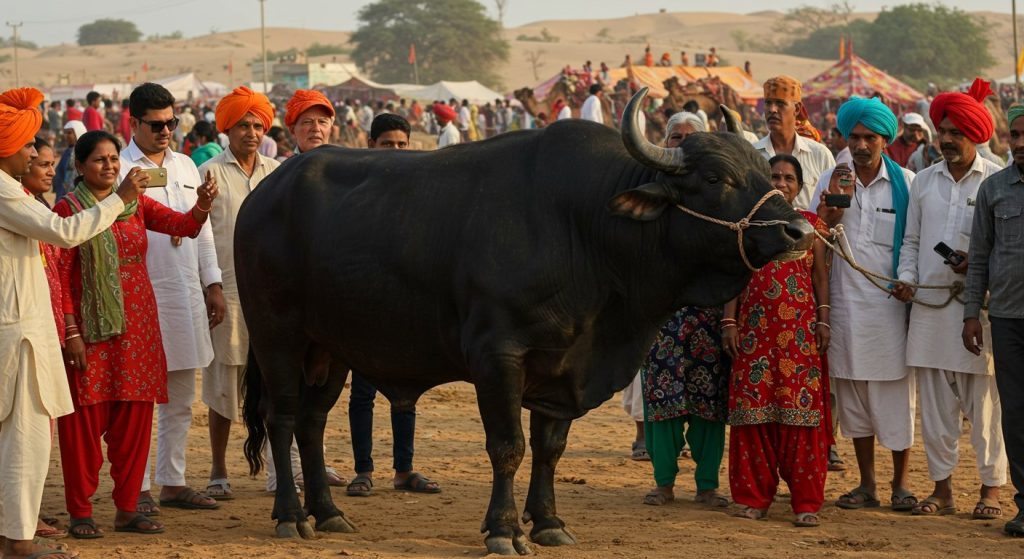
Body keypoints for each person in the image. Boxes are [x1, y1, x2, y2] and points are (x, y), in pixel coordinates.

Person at [0, 87, 148, 559]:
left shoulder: (15, 193)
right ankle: (19, 543)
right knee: (25, 443)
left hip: (25, 331)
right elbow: (65, 235)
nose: (34, 154)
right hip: (19, 335)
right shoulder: (6, 194)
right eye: (27, 146)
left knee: (22, 443)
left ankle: (13, 535)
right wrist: (118, 200)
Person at [53, 129, 217, 539]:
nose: (109, 166)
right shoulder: (68, 209)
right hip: (89, 332)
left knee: (134, 420)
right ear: (79, 166)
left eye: (113, 159)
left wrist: (201, 206)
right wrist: (70, 331)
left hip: (137, 328)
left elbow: (184, 226)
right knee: (83, 427)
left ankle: (127, 509)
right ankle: (80, 511)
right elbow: (62, 274)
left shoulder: (135, 205)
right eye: (99, 160)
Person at [892, 78, 1007, 520]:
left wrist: (977, 266)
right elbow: (911, 240)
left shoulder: (997, 180)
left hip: (979, 312)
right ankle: (942, 490)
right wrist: (906, 278)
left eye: (955, 132)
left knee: (985, 408)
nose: (946, 140)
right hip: (929, 309)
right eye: (943, 132)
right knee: (936, 411)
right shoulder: (922, 182)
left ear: (975, 134)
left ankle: (990, 490)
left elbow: (1008, 248)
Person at [115, 83, 224, 516]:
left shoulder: (185, 165)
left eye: (171, 123)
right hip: (136, 293)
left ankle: (172, 482)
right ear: (134, 123)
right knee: (139, 400)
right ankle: (136, 489)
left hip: (183, 291)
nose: (165, 131)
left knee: (180, 398)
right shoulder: (117, 166)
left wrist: (212, 282)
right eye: (156, 124)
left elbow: (204, 229)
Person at [815, 96, 918, 513]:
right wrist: (833, 206)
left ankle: (901, 485)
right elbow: (817, 236)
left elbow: (913, 241)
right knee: (853, 397)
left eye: (869, 137)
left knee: (894, 399)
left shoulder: (907, 183)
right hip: (843, 306)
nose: (860, 145)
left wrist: (908, 280)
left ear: (884, 140)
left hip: (889, 308)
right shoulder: (831, 177)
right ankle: (867, 485)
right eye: (853, 136)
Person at [723, 154, 831, 527]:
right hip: (753, 335)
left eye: (788, 177)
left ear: (799, 185)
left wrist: (824, 320)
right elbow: (736, 275)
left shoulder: (811, 226)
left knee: (801, 416)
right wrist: (728, 321)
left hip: (799, 337)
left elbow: (820, 279)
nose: (782, 182)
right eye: (775, 176)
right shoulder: (748, 226)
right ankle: (754, 499)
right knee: (753, 415)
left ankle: (805, 503)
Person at [345, 113, 440, 497]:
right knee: (362, 392)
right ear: (372, 146)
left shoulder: (420, 194)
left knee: (405, 391)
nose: (397, 151)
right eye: (388, 144)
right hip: (366, 305)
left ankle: (404, 470)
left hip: (405, 306)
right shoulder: (356, 192)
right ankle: (363, 470)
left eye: (402, 144)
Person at [638, 122, 728, 509]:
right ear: (664, 145)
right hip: (661, 318)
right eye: (677, 137)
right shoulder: (652, 198)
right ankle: (663, 484)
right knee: (663, 402)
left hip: (708, 318)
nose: (684, 144)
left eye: (694, 138)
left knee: (709, 405)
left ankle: (707, 485)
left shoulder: (724, 198)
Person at [199, 86, 280, 500]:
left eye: (257, 124)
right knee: (223, 383)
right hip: (226, 291)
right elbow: (201, 235)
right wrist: (211, 286)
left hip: (273, 296)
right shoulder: (209, 172)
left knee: (273, 380)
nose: (251, 132)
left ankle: (276, 471)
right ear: (227, 129)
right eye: (243, 125)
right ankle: (217, 469)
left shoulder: (278, 171)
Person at [962, 103, 1024, 537]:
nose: (1019, 144)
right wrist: (970, 314)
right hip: (1006, 319)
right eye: (1014, 136)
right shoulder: (995, 188)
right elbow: (979, 257)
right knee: (1017, 415)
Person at [754, 76, 835, 211]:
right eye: (768, 103)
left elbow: (833, 207)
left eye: (780, 104)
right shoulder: (752, 154)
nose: (772, 110)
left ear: (797, 109)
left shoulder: (820, 155)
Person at [285, 89, 336, 154]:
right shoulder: (288, 164)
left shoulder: (343, 163)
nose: (316, 129)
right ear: (292, 130)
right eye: (307, 122)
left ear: (331, 129)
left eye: (322, 122)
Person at [54, 121, 87, 201]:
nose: (66, 136)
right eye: (65, 133)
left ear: (78, 133)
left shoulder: (84, 151)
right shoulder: (67, 152)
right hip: (63, 192)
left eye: (69, 133)